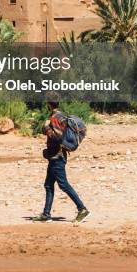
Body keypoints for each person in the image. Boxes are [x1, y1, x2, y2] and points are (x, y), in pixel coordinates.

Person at [33, 94, 90, 223]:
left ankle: (82, 209)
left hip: (57, 158)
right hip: (55, 156)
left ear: (48, 104)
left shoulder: (55, 118)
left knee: (63, 185)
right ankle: (46, 214)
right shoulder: (61, 116)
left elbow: (58, 137)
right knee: (48, 185)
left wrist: (46, 127)